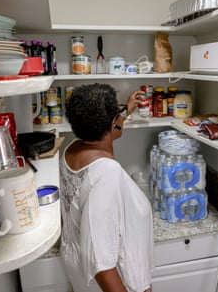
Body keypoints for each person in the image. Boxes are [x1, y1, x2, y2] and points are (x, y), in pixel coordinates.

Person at [59, 83, 154, 292]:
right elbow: (102, 264)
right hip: (110, 283)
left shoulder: (71, 148)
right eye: (118, 114)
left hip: (77, 270)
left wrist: (126, 110)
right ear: (112, 123)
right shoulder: (107, 173)